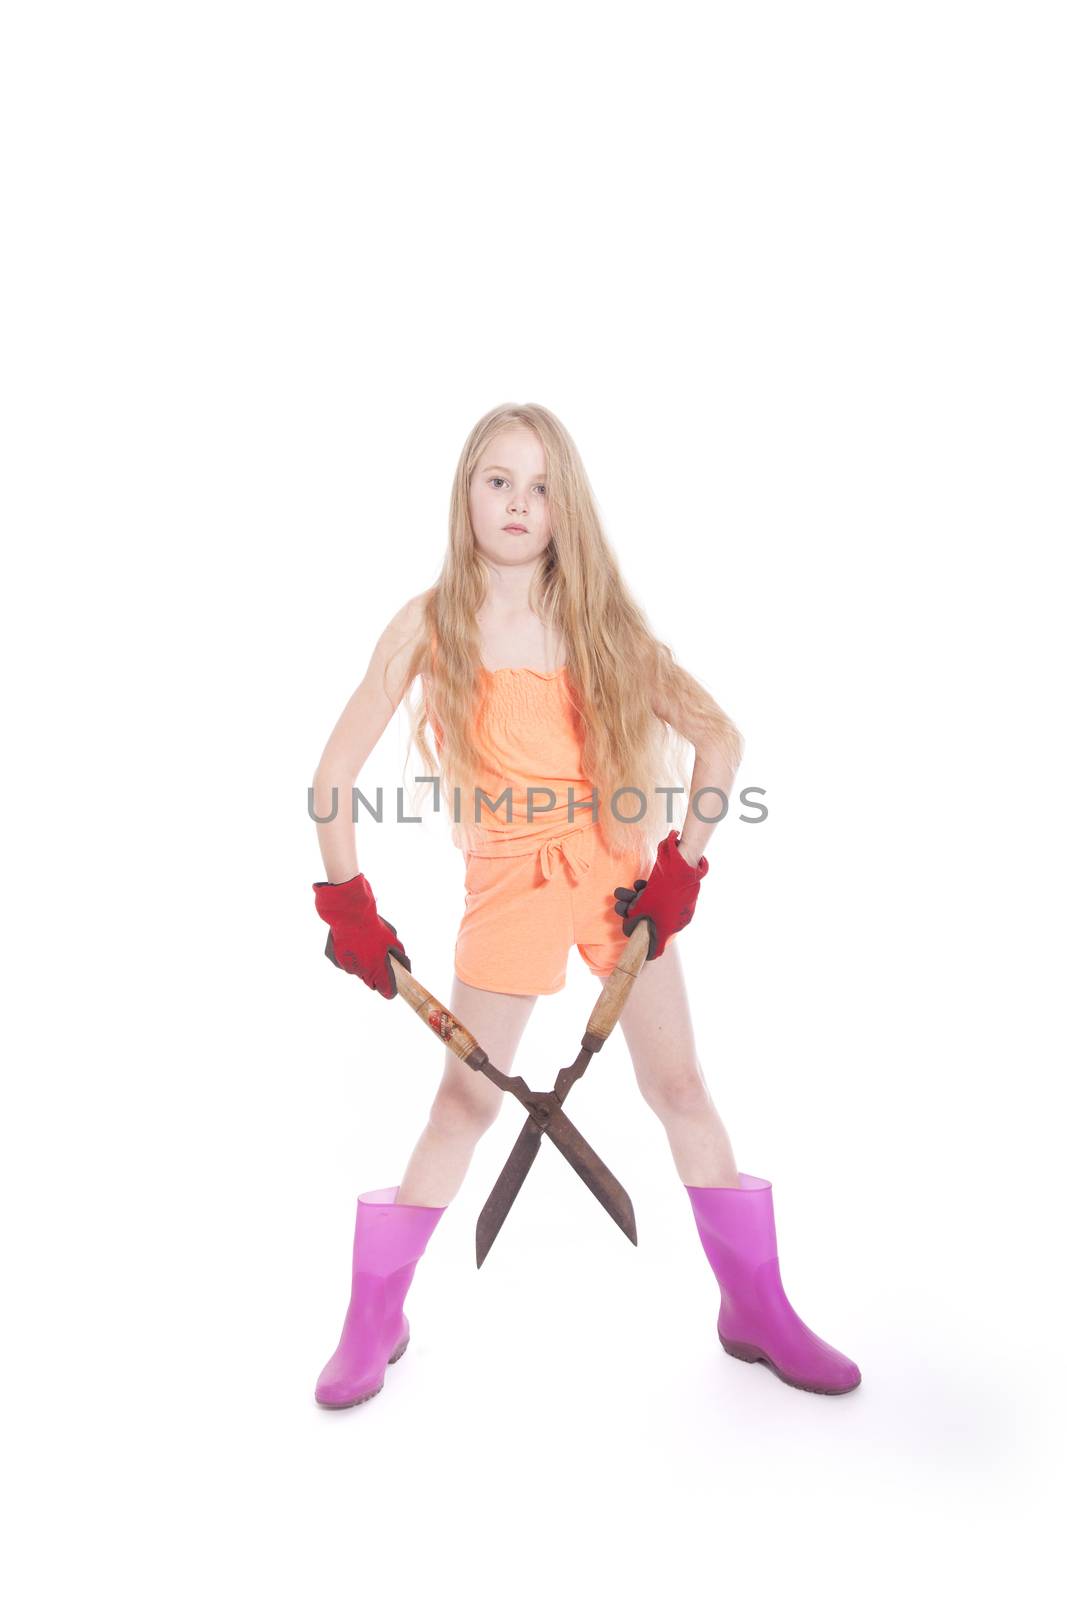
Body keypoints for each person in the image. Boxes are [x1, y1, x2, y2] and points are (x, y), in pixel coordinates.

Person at [309, 402, 861, 1409]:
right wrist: (349, 904)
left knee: (681, 1087)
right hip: (507, 881)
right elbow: (331, 777)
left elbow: (719, 741)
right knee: (461, 1104)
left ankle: (755, 1307)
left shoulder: (598, 621)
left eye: (540, 486)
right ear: (464, 491)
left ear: (564, 507)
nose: (518, 503)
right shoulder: (426, 623)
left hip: (612, 879)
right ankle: (372, 1317)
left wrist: (676, 871)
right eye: (497, 480)